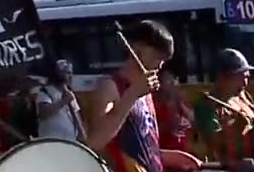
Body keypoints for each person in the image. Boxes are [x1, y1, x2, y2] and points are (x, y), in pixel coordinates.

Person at [84, 20, 200, 172]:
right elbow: (95, 141)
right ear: (136, 49)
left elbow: (141, 148)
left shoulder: (145, 92)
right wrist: (131, 94)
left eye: (164, 61)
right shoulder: (110, 87)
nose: (159, 66)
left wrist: (169, 156)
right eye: (157, 56)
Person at [194, 49, 254, 171]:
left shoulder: (244, 97)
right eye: (241, 77)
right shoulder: (207, 106)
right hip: (226, 168)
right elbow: (212, 141)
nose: (245, 82)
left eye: (247, 77)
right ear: (224, 77)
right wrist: (237, 126)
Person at [34, 59, 83, 141]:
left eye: (71, 73)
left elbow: (76, 115)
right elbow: (43, 113)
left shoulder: (69, 93)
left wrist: (81, 133)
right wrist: (64, 101)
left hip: (69, 140)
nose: (70, 76)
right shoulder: (46, 92)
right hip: (51, 141)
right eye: (66, 73)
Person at [151, 70, 193, 154]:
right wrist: (168, 125)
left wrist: (180, 104)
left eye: (173, 79)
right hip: (165, 151)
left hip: (184, 150)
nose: (172, 82)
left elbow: (192, 119)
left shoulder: (179, 100)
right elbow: (154, 130)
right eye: (168, 80)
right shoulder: (154, 104)